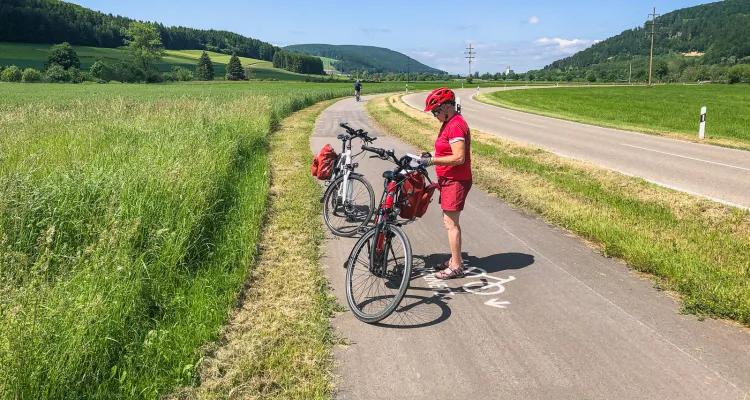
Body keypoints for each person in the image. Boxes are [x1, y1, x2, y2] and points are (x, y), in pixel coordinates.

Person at [419, 87, 472, 279]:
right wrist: (428, 155)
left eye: (435, 111)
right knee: (449, 222)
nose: (434, 116)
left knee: (451, 224)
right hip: (449, 179)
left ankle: (456, 266)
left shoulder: (456, 125)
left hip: (456, 180)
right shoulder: (449, 123)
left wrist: (431, 161)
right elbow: (444, 152)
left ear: (447, 107)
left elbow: (458, 157)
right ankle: (454, 259)